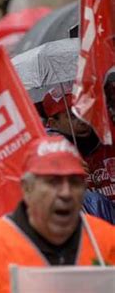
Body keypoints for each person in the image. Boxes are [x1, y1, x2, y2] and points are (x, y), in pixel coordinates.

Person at [0, 136, 115, 293]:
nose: (66, 193)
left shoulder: (108, 240)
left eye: (74, 182)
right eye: (53, 182)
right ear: (26, 188)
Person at [42, 88, 115, 222]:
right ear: (53, 123)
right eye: (73, 115)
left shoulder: (109, 139)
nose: (82, 120)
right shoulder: (48, 159)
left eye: (85, 111)